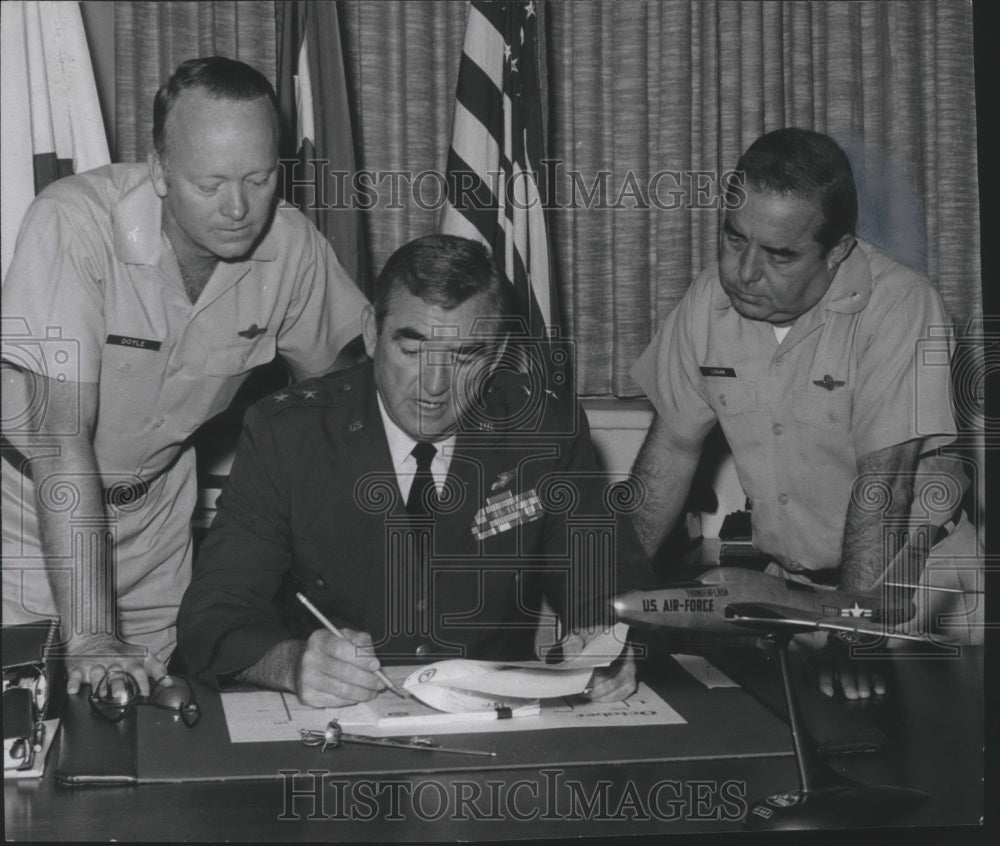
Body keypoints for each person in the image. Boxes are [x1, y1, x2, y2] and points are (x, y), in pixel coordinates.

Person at [1, 57, 368, 696]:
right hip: (28, 519)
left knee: (156, 727)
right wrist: (90, 633)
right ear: (160, 170)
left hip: (158, 523)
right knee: (25, 737)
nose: (238, 208)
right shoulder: (74, 225)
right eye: (210, 184)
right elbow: (59, 441)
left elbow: (343, 402)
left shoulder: (293, 250)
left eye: (258, 179)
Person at [177, 234, 640, 706]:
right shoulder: (289, 434)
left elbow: (610, 587)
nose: (435, 387)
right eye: (413, 350)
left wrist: (604, 643)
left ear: (499, 354)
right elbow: (213, 617)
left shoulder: (543, 431)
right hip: (340, 726)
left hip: (498, 729)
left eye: (464, 355)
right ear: (372, 334)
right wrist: (292, 663)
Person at [629, 128, 981, 699]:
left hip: (908, 587)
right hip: (794, 593)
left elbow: (884, 485)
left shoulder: (902, 305)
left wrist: (851, 633)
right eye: (734, 238)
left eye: (780, 255)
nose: (744, 272)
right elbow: (670, 453)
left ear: (837, 250)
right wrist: (612, 602)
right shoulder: (707, 303)